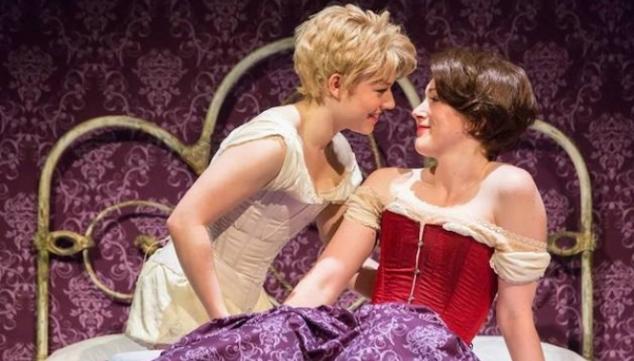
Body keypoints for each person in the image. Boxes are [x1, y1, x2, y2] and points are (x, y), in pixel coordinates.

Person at [154, 47, 551, 361]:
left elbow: (515, 316)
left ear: (477, 119)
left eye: (434, 100)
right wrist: (272, 336)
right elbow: (329, 275)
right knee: (261, 339)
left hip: (434, 350)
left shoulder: (510, 188)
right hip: (373, 341)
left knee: (399, 331)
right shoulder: (386, 184)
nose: (415, 110)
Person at [123, 4, 417, 348]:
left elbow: (342, 261)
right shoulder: (273, 144)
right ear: (336, 84)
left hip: (243, 301)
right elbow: (185, 221)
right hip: (191, 293)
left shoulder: (340, 155)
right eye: (380, 89)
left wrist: (409, 296)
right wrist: (225, 325)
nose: (391, 104)